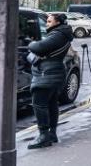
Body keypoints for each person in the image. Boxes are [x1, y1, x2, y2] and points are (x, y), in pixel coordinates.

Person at [27, 13, 73, 149]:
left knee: (39, 104)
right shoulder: (61, 33)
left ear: (57, 22)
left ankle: (43, 136)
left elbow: (38, 48)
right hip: (53, 73)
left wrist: (31, 43)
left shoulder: (58, 34)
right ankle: (51, 133)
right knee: (51, 104)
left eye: (49, 21)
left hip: (46, 74)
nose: (46, 24)